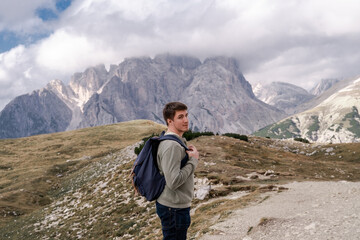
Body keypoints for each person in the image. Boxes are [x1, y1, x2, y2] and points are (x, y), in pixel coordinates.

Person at [156, 101, 200, 240]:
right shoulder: (172, 146)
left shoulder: (174, 141)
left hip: (174, 206)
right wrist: (193, 160)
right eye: (180, 117)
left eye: (186, 115)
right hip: (173, 209)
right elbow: (173, 182)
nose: (186, 120)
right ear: (170, 121)